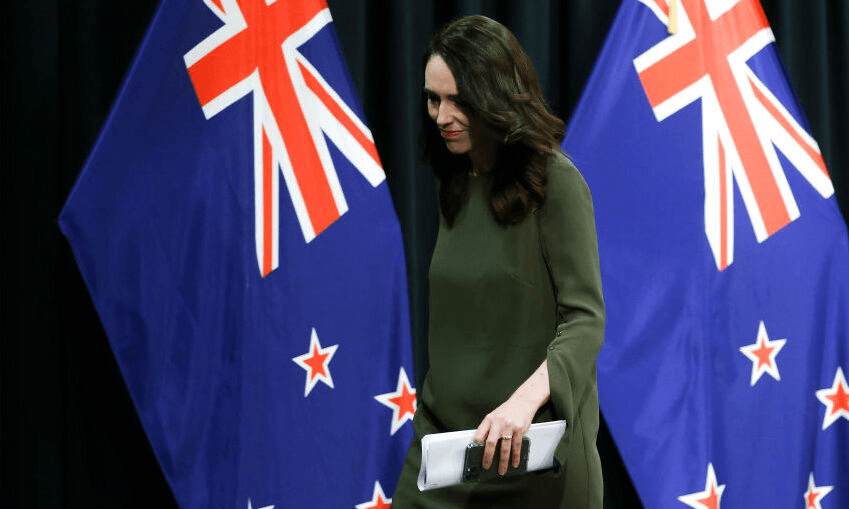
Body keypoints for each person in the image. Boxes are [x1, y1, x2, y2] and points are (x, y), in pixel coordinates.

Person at [391, 15, 605, 508]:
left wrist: (522, 404)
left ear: (498, 94)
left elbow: (586, 320)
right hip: (445, 448)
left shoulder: (556, 181)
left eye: (459, 100)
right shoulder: (454, 179)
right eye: (432, 98)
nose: (441, 115)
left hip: (531, 458)